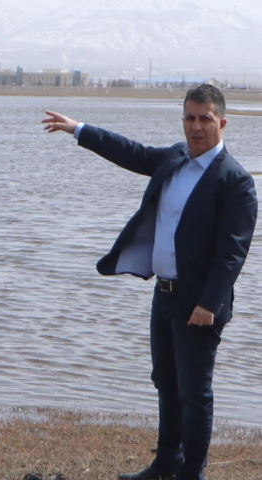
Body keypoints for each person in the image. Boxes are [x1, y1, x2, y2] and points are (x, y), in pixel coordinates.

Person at [41, 84, 257, 480]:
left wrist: (208, 304)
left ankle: (191, 473)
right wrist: (79, 129)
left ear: (222, 123)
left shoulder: (235, 181)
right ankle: (165, 464)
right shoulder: (174, 158)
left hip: (200, 303)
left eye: (205, 119)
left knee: (194, 392)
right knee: (166, 383)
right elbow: (133, 153)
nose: (196, 126)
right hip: (165, 293)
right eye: (189, 118)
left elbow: (233, 252)